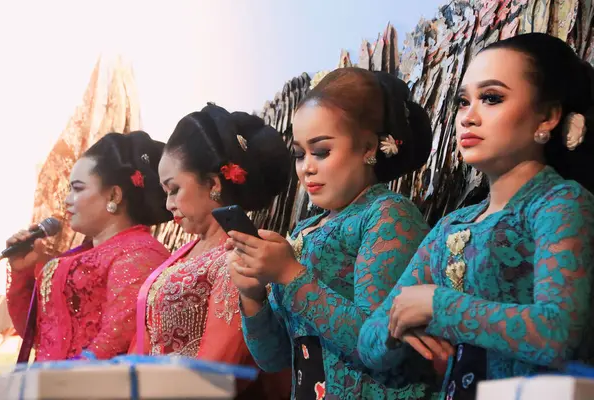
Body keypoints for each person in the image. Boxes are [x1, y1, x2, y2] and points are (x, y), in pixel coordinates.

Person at [358, 33, 594, 400]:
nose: (468, 116)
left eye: (492, 98)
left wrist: (437, 305)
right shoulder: (453, 224)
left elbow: (557, 333)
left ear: (547, 116)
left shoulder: (560, 203)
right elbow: (368, 342)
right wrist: (399, 324)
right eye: (462, 101)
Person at [227, 68, 440, 399]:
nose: (306, 167)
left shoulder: (388, 215)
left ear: (369, 147)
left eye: (321, 151)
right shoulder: (304, 231)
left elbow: (380, 346)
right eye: (299, 154)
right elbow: (275, 358)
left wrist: (289, 273)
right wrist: (252, 296)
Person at [132, 103, 292, 399]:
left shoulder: (241, 254)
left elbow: (217, 364)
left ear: (214, 183)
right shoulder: (187, 251)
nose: (168, 205)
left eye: (174, 189)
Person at [6, 131, 172, 361]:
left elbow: (113, 344)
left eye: (78, 188)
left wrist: (57, 382)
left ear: (114, 195)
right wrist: (22, 273)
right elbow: (39, 335)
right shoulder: (85, 252)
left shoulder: (140, 254)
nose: (67, 200)